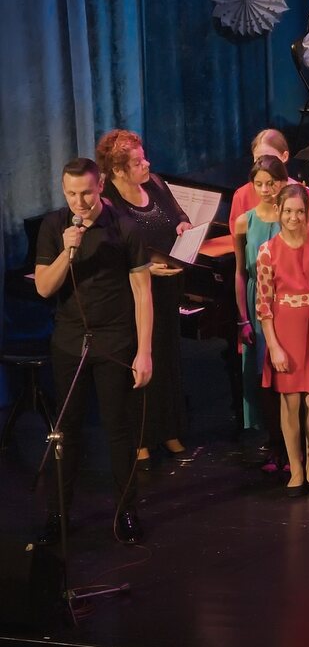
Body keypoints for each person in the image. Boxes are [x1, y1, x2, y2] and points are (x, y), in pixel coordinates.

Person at [34, 158, 153, 546]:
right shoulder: (55, 227)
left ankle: (126, 511)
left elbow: (142, 293)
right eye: (70, 193)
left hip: (115, 339)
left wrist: (145, 352)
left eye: (85, 192)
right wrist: (67, 251)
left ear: (100, 185)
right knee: (65, 432)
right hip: (70, 340)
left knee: (119, 429)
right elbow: (44, 288)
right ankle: (59, 513)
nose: (79, 201)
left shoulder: (124, 227)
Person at [97, 130, 190, 466]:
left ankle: (170, 430)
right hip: (132, 294)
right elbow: (107, 252)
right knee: (139, 361)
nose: (146, 164)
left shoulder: (155, 184)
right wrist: (144, 269)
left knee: (167, 359)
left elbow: (179, 215)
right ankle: (141, 438)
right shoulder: (107, 200)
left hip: (166, 288)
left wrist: (182, 226)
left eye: (144, 157)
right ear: (119, 171)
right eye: (137, 162)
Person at [255, 184, 309, 497]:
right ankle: (296, 468)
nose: (293, 217)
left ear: (307, 212)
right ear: (278, 212)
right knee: (290, 403)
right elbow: (264, 305)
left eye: (299, 211)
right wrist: (273, 346)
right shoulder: (267, 252)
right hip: (285, 330)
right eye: (288, 211)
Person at [233, 156, 286, 446]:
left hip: (288, 298)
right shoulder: (244, 221)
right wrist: (242, 317)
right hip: (257, 299)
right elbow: (240, 272)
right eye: (259, 184)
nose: (266, 189)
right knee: (262, 372)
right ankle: (272, 440)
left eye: (272, 183)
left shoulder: (290, 215)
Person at [229, 129, 290, 228]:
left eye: (270, 158)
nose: (264, 164)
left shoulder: (299, 191)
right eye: (258, 159)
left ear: (284, 156)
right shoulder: (242, 195)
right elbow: (238, 235)